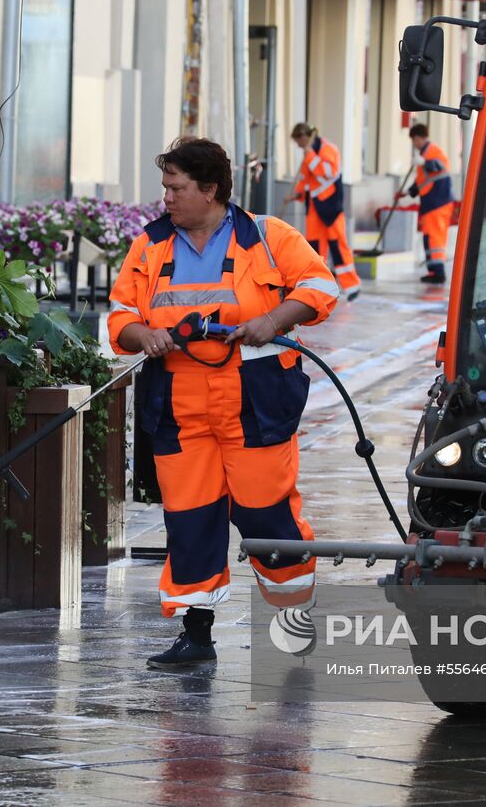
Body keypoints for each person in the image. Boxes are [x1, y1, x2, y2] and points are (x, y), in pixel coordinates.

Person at [109, 137, 341, 670]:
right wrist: (142, 334)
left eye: (176, 188)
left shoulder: (268, 236)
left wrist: (274, 321)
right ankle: (196, 636)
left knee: (268, 518)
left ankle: (293, 630)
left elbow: (319, 285)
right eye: (165, 187)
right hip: (178, 401)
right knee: (189, 519)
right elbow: (120, 316)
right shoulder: (150, 246)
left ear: (209, 190)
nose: (166, 198)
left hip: (253, 401)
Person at [283, 123, 362, 301]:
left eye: (298, 142)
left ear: (303, 137)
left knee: (338, 245)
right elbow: (306, 179)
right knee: (315, 249)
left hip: (331, 207)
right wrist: (296, 194)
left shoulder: (327, 149)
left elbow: (328, 172)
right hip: (314, 208)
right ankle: (319, 286)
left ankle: (352, 285)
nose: (298, 146)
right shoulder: (308, 154)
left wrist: (310, 155)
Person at [398, 123, 453, 284]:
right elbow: (422, 182)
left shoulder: (433, 152)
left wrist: (424, 162)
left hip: (438, 202)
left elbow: (439, 166)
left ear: (420, 138)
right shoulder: (424, 154)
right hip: (431, 202)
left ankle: (438, 273)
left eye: (415, 140)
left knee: (435, 238)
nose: (414, 144)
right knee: (429, 237)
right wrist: (407, 193)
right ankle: (433, 271)